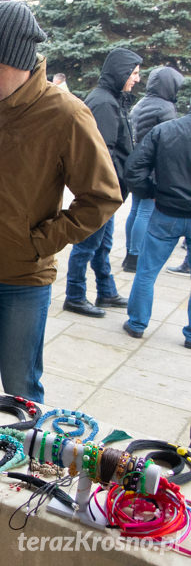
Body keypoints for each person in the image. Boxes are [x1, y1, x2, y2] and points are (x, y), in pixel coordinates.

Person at [0, 1, 122, 402]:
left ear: (23, 62)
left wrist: (40, 241)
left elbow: (102, 196)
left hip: (23, 279)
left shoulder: (64, 114)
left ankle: (27, 459)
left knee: (21, 388)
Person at [63, 47, 141, 318]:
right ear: (120, 73)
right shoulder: (104, 103)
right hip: (102, 192)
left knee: (102, 245)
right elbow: (101, 154)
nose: (137, 79)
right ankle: (74, 295)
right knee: (86, 245)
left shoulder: (113, 99)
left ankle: (106, 291)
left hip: (113, 190)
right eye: (133, 73)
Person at [123, 108, 191, 348]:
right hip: (166, 208)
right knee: (146, 271)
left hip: (166, 210)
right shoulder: (164, 130)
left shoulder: (165, 130)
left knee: (147, 271)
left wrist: (149, 192)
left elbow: (134, 168)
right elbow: (135, 169)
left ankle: (137, 323)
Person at [123, 66, 184, 272]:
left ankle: (129, 253)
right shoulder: (166, 108)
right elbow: (169, 142)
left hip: (137, 164)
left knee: (135, 210)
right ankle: (135, 257)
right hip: (153, 168)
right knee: (145, 212)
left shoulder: (142, 102)